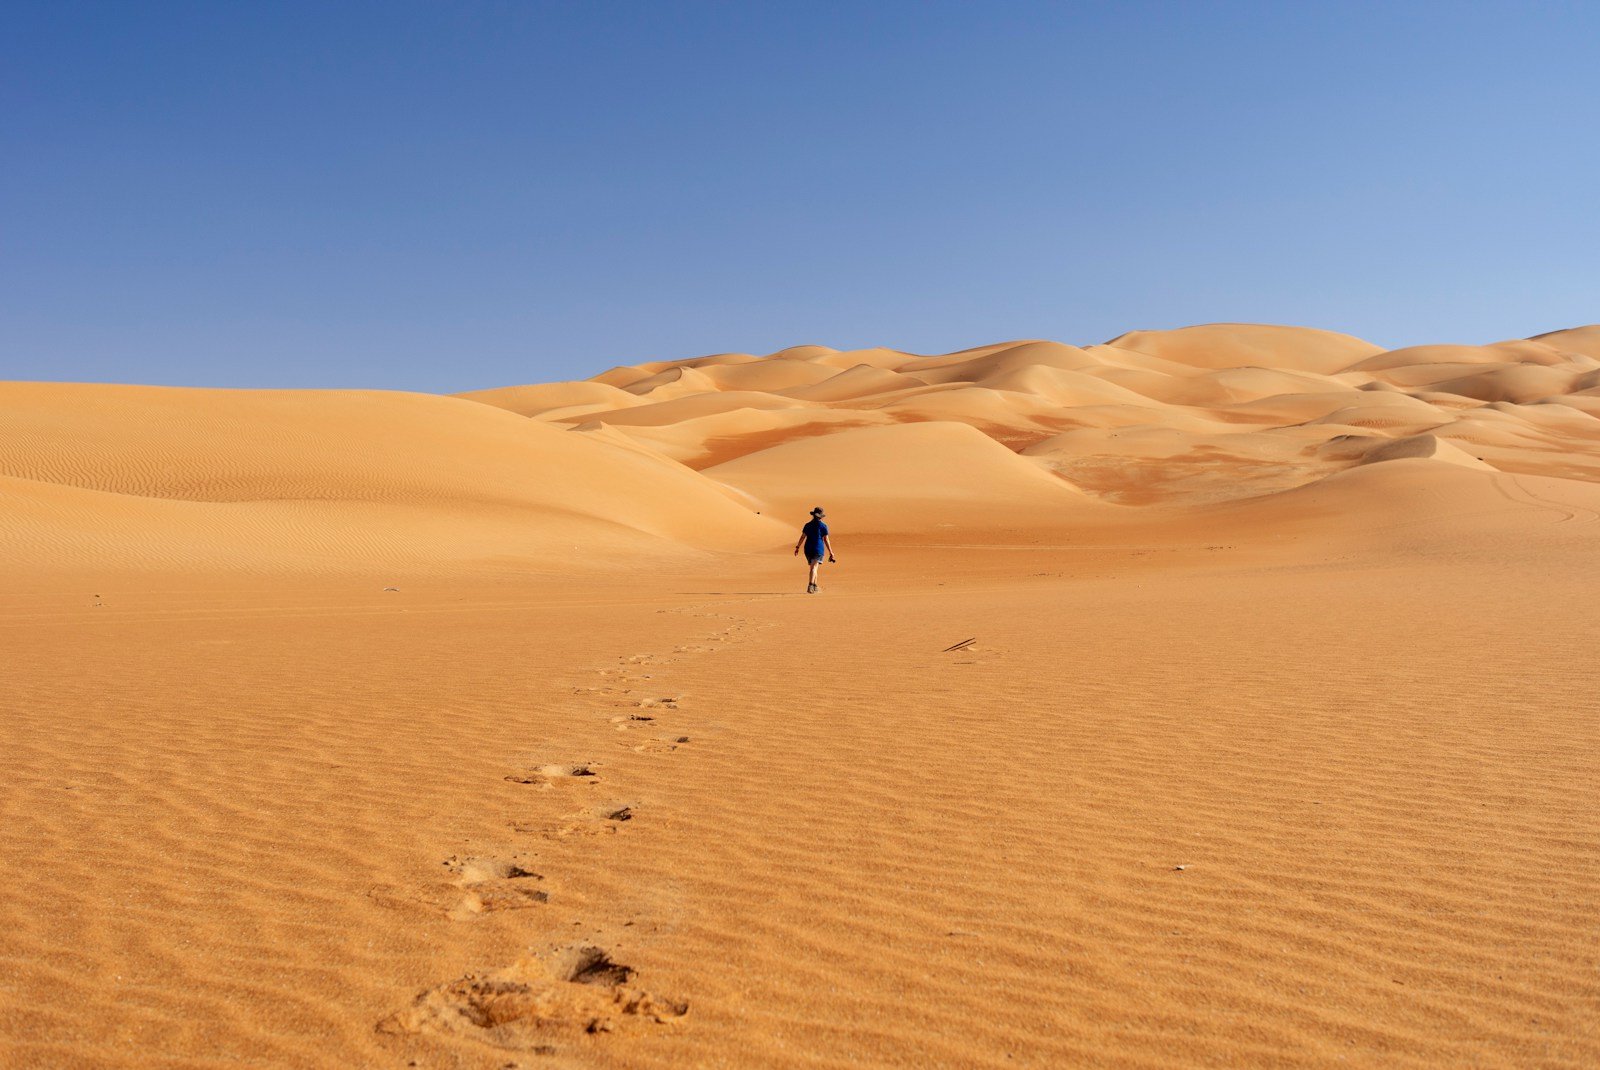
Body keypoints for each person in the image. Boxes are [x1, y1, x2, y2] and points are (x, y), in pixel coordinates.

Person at [793, 506, 836, 594]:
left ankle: (815, 586)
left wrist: (797, 547)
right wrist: (831, 552)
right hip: (818, 549)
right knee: (814, 567)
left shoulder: (807, 525)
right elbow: (826, 540)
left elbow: (802, 537)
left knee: (814, 567)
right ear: (821, 516)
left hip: (808, 549)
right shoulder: (823, 526)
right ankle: (810, 585)